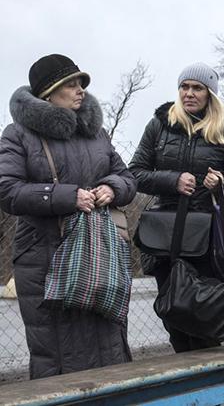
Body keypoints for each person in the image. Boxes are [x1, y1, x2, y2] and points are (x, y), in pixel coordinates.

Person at [0, 54, 137, 379]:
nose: (81, 90)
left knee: (110, 353)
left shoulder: (97, 134)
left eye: (81, 83)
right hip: (46, 260)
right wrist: (65, 196)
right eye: (71, 84)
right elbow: (6, 190)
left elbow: (128, 178)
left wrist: (112, 188)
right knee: (60, 360)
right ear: (48, 93)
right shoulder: (18, 134)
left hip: (103, 257)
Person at [129, 63, 224, 353]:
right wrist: (173, 180)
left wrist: (221, 180)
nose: (189, 93)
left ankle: (212, 390)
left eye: (197, 88)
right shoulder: (160, 124)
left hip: (209, 236)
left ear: (210, 94)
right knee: (175, 315)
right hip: (167, 235)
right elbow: (134, 173)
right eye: (184, 87)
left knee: (206, 318)